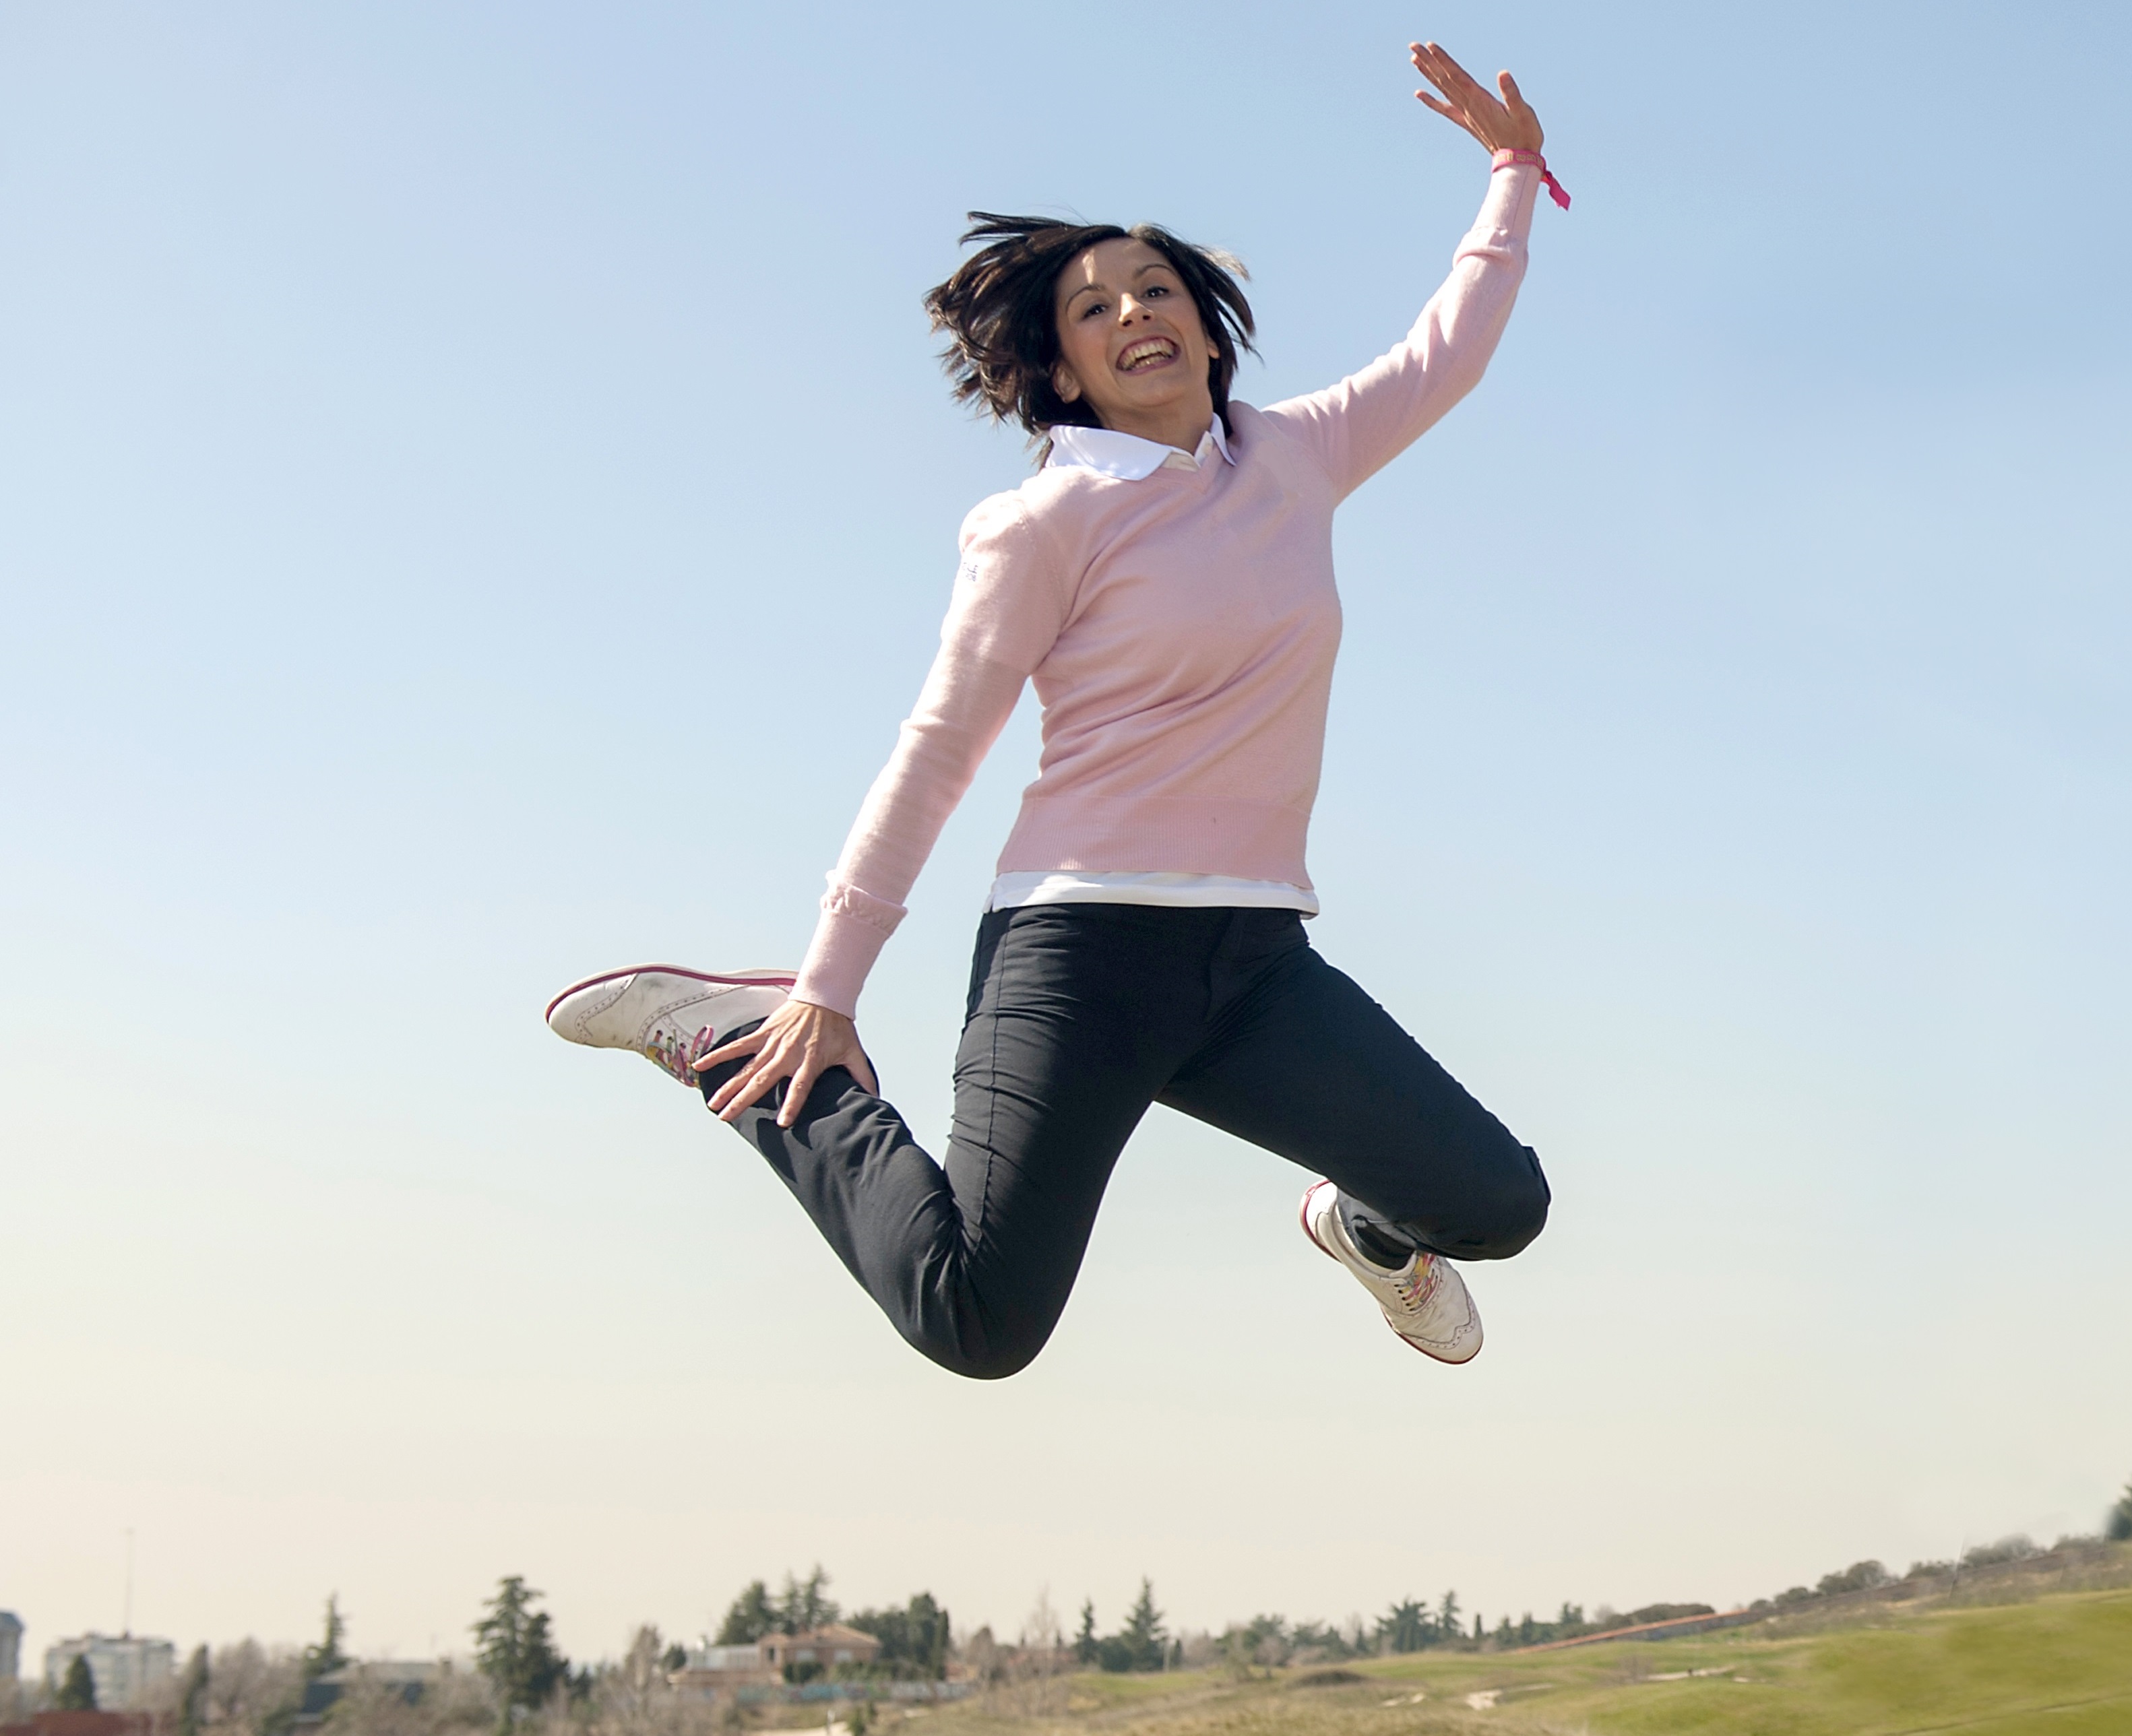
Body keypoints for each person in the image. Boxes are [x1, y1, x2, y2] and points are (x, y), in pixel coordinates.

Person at [547, 41, 1565, 1379]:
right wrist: (833, 983)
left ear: (1208, 319)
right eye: (1096, 310)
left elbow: (1451, 348)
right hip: (1080, 952)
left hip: (1254, 966)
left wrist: (1512, 171)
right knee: (979, 1318)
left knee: (1501, 1205)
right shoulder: (1045, 521)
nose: (1137, 313)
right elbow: (938, 746)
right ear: (1063, 367)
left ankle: (1364, 1226)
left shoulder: (1294, 455)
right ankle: (755, 1047)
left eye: (1159, 288)